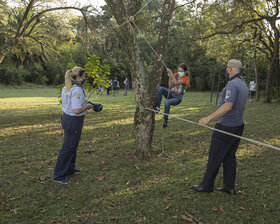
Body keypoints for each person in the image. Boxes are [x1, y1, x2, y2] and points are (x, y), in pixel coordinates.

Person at [191, 59, 248, 195]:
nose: (226, 71)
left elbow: (227, 106)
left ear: (230, 69)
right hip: (238, 125)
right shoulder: (243, 84)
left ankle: (206, 185)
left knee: (215, 155)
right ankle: (229, 186)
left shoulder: (232, 85)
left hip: (226, 126)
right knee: (229, 156)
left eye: (227, 68)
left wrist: (208, 118)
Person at [53, 67, 94, 184]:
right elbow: (76, 110)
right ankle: (59, 175)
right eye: (83, 76)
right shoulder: (76, 90)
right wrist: (88, 106)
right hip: (73, 120)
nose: (85, 78)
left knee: (73, 146)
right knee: (68, 147)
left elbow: (65, 107)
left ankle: (70, 169)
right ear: (77, 77)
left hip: (67, 118)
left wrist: (62, 121)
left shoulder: (66, 87)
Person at [154, 63, 190, 128]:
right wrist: (170, 77)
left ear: (185, 72)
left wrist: (171, 73)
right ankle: (157, 108)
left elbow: (176, 83)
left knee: (167, 102)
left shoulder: (186, 78)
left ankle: (165, 120)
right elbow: (170, 86)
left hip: (177, 98)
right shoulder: (175, 75)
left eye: (181, 71)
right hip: (171, 94)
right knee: (160, 89)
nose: (179, 72)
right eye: (178, 71)